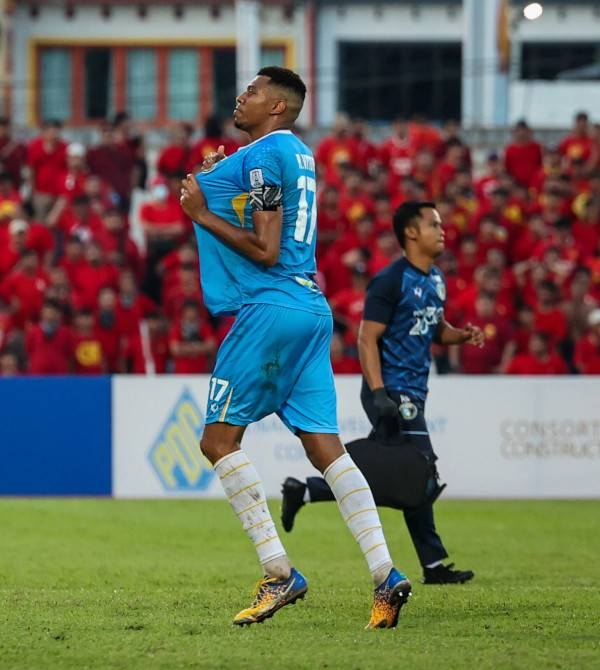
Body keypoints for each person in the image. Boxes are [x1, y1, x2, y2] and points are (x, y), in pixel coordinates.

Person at [178, 66, 411, 629]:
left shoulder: (262, 156)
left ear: (277, 107)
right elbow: (263, 207)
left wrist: (201, 213)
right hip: (310, 307)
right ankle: (386, 576)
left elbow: (264, 246)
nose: (242, 96)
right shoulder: (297, 155)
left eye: (254, 91)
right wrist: (216, 176)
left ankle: (279, 573)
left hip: (271, 307)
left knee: (217, 439)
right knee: (326, 448)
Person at [280, 201, 484, 585]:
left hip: (413, 391)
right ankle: (433, 563)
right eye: (433, 224)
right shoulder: (390, 281)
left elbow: (435, 328)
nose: (442, 230)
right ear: (411, 232)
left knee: (403, 473)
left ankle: (306, 491)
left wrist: (460, 334)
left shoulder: (435, 279)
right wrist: (378, 393)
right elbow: (366, 338)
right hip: (391, 390)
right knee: (421, 468)